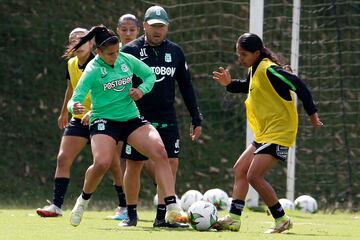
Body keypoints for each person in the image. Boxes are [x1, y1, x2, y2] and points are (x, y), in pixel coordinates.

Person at [66, 25, 185, 227]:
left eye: (117, 51)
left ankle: (172, 207)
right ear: (98, 52)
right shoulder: (93, 70)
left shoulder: (125, 59)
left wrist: (141, 90)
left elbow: (149, 75)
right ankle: (83, 200)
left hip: (130, 118)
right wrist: (74, 108)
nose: (115, 56)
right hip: (104, 119)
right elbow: (74, 99)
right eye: (110, 54)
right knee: (102, 163)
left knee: (160, 152)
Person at [211, 33, 323, 233]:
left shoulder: (270, 69)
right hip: (265, 133)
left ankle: (282, 219)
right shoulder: (255, 69)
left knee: (254, 175)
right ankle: (234, 218)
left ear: (256, 53)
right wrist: (229, 84)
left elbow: (299, 85)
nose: (240, 58)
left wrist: (312, 114)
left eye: (244, 54)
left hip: (280, 131)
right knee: (240, 170)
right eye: (238, 54)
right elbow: (247, 87)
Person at [120, 5, 202, 228]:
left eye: (162, 26)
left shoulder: (175, 52)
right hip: (137, 119)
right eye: (154, 26)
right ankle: (131, 214)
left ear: (167, 28)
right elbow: (116, 85)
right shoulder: (130, 51)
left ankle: (162, 216)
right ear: (145, 26)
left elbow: (186, 86)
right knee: (134, 165)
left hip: (167, 117)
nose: (158, 30)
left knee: (171, 162)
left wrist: (196, 117)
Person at [105, 13, 141, 222]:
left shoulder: (139, 52)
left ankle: (167, 198)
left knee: (148, 160)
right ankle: (124, 205)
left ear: (139, 31)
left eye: (132, 30)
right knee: (116, 158)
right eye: (124, 30)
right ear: (117, 30)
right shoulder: (110, 54)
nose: (128, 34)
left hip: (137, 115)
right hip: (115, 115)